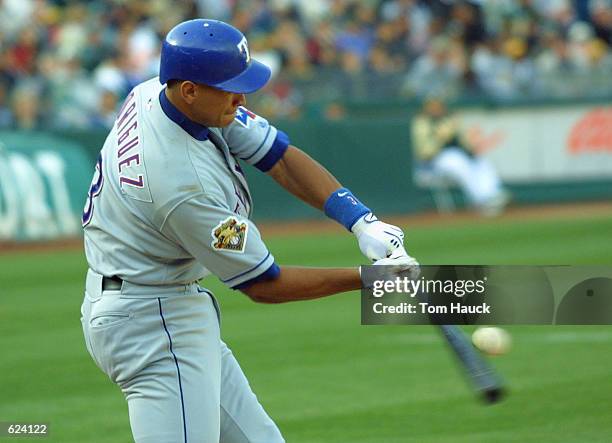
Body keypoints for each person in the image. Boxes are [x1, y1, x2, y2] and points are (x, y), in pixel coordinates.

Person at [80, 19, 418, 443]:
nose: (241, 97)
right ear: (190, 89)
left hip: (154, 304)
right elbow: (263, 284)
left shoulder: (158, 91)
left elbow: (278, 157)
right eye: (230, 86)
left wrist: (361, 220)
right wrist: (369, 281)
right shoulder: (182, 185)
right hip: (152, 325)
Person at [411, 96, 509, 215]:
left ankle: (493, 194)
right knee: (456, 162)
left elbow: (464, 143)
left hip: (457, 155)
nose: (435, 109)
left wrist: (470, 148)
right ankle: (481, 200)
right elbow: (424, 152)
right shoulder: (422, 124)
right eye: (432, 106)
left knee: (481, 162)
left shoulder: (449, 120)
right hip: (434, 162)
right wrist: (441, 136)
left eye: (438, 106)